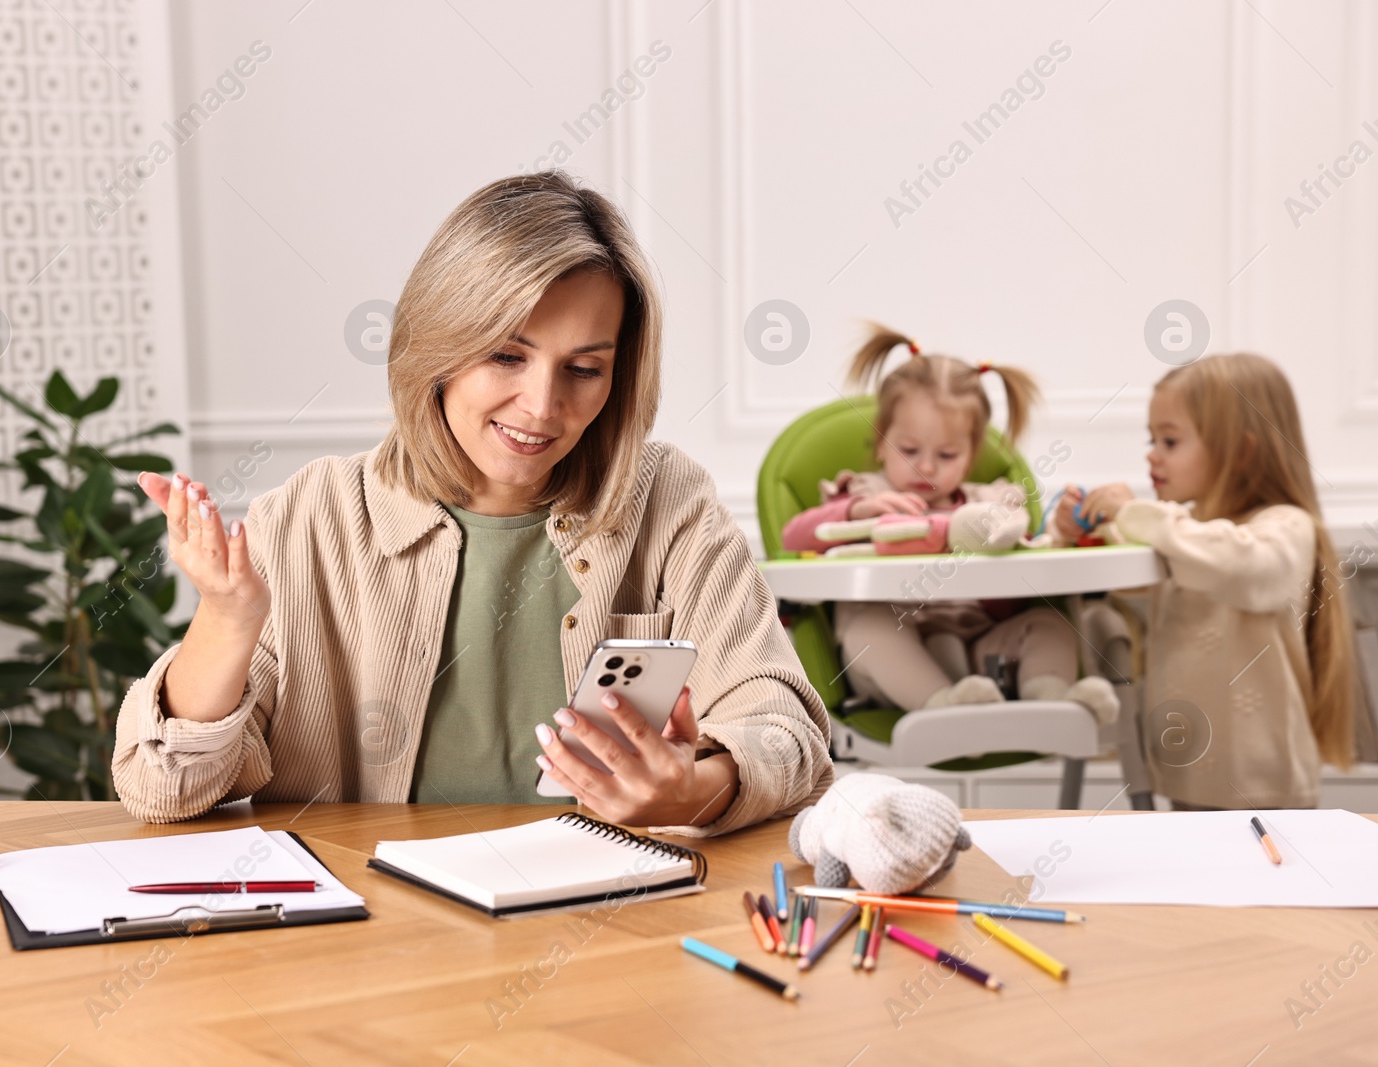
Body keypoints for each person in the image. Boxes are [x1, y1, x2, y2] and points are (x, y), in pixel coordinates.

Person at [111, 171, 832, 833]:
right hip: (374, 943)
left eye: (584, 369)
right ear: (438, 345)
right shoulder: (311, 517)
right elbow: (160, 786)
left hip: (607, 929)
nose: (543, 405)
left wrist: (694, 787)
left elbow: (786, 731)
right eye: (506, 356)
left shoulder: (668, 502)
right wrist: (228, 617)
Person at [1054, 353, 1355, 809]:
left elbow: (1240, 565)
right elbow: (1131, 564)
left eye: (1170, 441)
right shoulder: (1183, 534)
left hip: (1263, 785)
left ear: (1242, 451)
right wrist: (1077, 533)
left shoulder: (1285, 526)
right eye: (1151, 439)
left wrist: (1133, 512)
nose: (1151, 455)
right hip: (1187, 777)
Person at [782, 325, 1118, 723]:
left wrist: (1041, 536)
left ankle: (1051, 698)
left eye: (946, 454)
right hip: (897, 669)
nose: (924, 466)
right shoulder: (866, 494)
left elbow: (1023, 565)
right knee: (867, 627)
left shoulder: (989, 503)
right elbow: (794, 536)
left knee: (1048, 622)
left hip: (982, 660)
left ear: (972, 454)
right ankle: (941, 705)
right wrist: (855, 511)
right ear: (879, 440)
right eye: (908, 450)